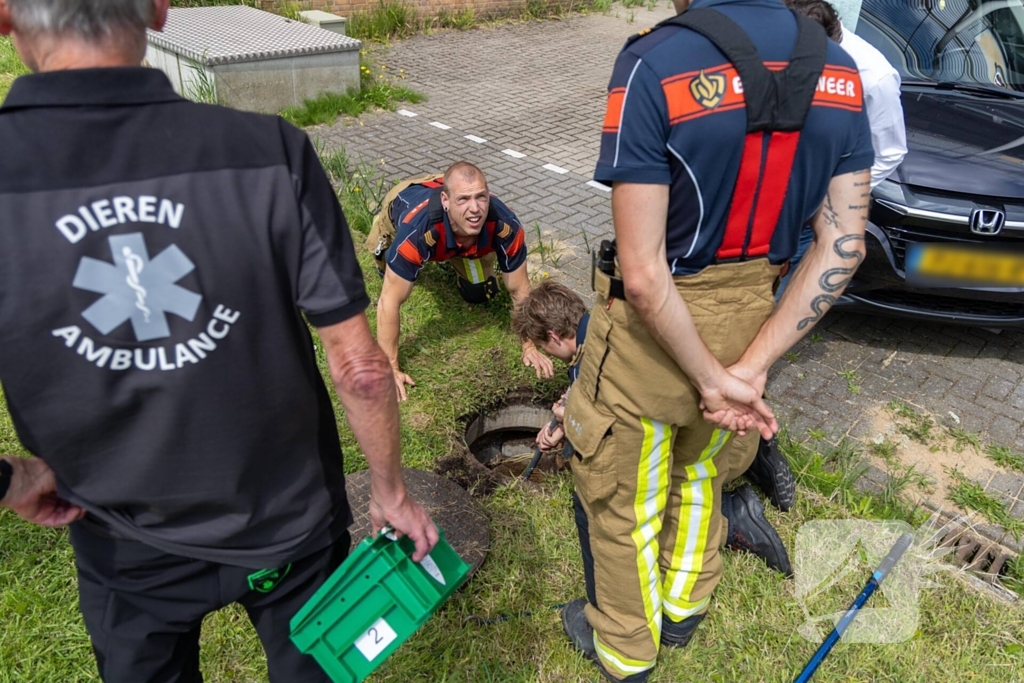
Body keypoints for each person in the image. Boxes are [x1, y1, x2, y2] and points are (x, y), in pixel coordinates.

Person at [0, 2, 437, 681]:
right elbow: (360, 368)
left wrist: (13, 478)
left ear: (5, 17)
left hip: (123, 544)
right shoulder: (270, 152)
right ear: (158, 9)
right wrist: (389, 492)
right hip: (287, 526)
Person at [560, 0, 875, 679]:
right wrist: (751, 366)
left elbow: (643, 275)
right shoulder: (842, 73)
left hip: (659, 326)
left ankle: (623, 647)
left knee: (624, 491)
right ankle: (682, 609)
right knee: (704, 468)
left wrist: (707, 377)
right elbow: (844, 244)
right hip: (759, 309)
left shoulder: (654, 61)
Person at [514, 279, 791, 585]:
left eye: (543, 347)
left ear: (553, 336)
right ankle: (761, 458)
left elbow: (618, 439)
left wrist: (573, 422)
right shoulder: (610, 323)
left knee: (627, 498)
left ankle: (732, 515)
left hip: (711, 449)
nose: (547, 353)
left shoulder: (596, 366)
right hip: (736, 427)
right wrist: (569, 411)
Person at [367, 165, 554, 400]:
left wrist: (529, 346)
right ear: (445, 200)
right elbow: (389, 301)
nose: (475, 208)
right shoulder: (416, 230)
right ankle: (390, 235)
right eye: (463, 199)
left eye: (481, 197)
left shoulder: (506, 225)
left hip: (460, 238)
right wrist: (391, 367)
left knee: (479, 293)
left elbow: (520, 289)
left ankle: (453, 253)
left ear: (489, 195)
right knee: (390, 275)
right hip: (405, 198)